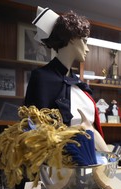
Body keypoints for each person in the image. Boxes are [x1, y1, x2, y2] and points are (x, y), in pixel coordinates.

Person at [24, 7, 106, 150]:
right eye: (84, 41)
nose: (87, 49)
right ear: (73, 39)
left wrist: (108, 158)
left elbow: (91, 128)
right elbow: (35, 131)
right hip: (59, 164)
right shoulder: (42, 78)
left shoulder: (78, 84)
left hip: (89, 158)